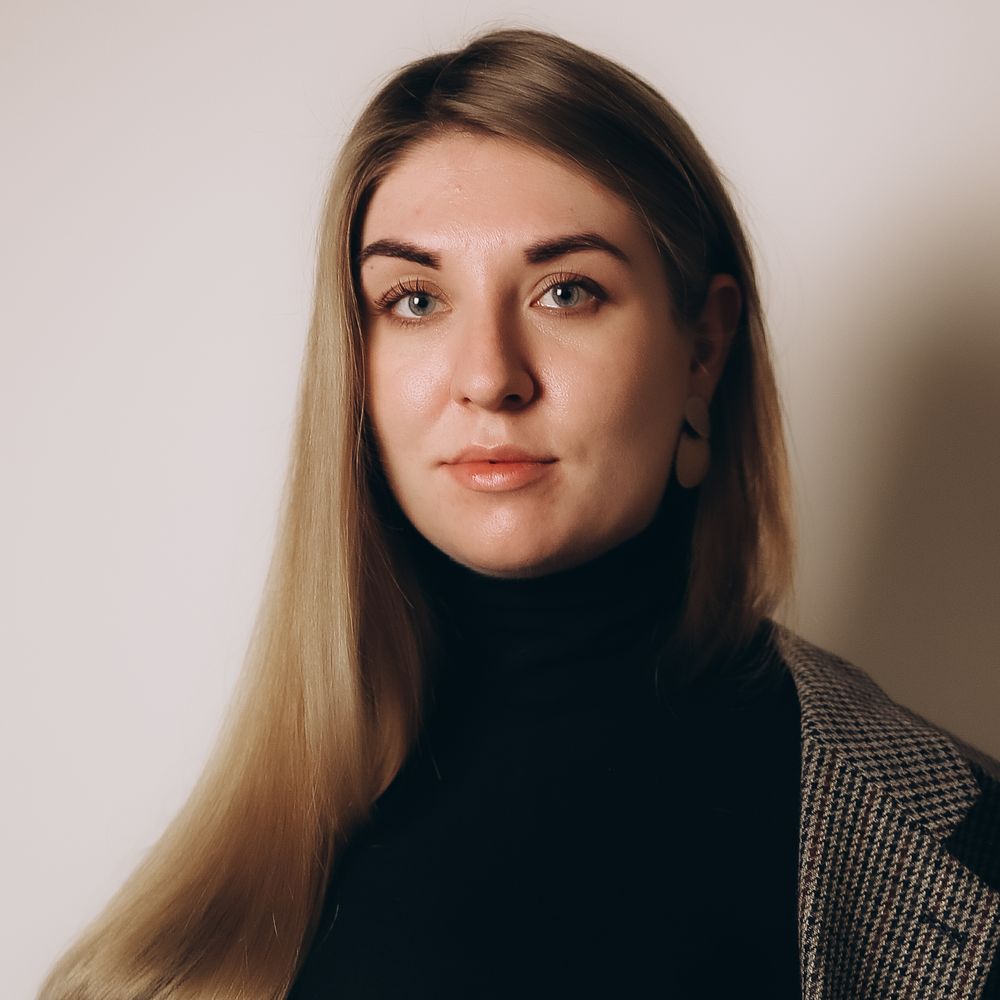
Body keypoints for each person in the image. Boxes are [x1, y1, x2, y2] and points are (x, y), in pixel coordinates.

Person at [40, 27, 999, 1000]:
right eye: (415, 300)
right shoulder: (205, 900)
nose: (490, 376)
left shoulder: (955, 854)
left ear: (703, 350)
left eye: (565, 291)